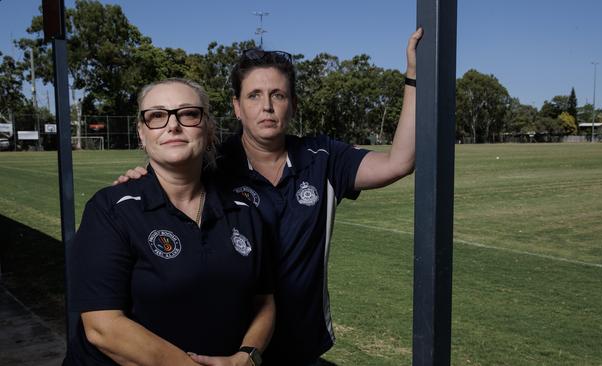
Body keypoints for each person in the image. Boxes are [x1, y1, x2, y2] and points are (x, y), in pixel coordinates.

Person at [117, 29, 422, 365]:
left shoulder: (323, 158)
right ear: (236, 106)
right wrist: (138, 177)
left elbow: (400, 162)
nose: (266, 106)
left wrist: (413, 77)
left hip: (301, 342)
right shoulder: (212, 163)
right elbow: (163, 179)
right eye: (254, 95)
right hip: (232, 348)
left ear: (293, 104)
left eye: (278, 95)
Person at [65, 78, 275, 366]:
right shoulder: (111, 209)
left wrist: (247, 357)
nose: (172, 125)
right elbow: (103, 328)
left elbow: (264, 302)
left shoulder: (245, 211)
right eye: (157, 116)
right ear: (141, 133)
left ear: (209, 128)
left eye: (188, 113)